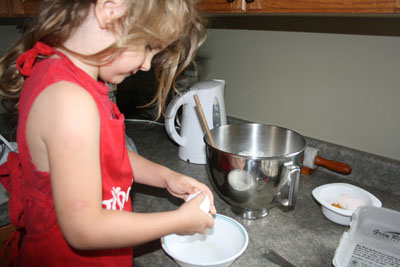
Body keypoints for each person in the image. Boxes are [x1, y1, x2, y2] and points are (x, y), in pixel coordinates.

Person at [0, 0, 216, 266]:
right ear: (110, 10)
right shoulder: (70, 100)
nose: (148, 64)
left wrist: (167, 177)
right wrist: (178, 221)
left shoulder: (71, 81)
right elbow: (84, 229)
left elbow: (107, 155)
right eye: (148, 46)